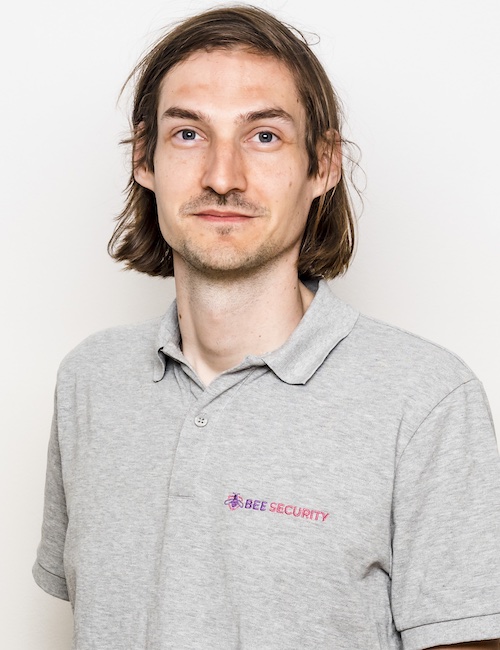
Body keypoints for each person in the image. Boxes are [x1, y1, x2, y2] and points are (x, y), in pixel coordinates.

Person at [33, 5, 500, 649]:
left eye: (264, 136)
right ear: (144, 158)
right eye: (189, 134)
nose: (222, 178)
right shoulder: (90, 381)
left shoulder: (426, 401)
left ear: (323, 165)